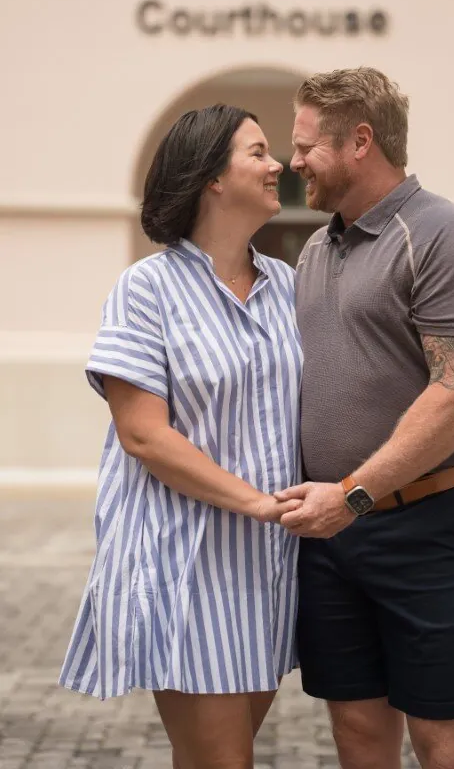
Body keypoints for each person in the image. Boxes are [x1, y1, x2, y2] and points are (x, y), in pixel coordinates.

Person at [59, 104, 304, 769]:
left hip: (272, 564)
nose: (276, 164)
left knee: (213, 758)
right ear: (211, 179)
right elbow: (142, 435)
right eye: (257, 152)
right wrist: (257, 503)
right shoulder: (145, 290)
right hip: (185, 559)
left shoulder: (288, 287)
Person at [275, 68, 454, 769]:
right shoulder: (317, 248)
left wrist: (352, 495)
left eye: (305, 144)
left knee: (445, 743)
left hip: (428, 525)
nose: (292, 162)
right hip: (333, 531)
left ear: (359, 142)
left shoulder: (445, 235)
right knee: (356, 732)